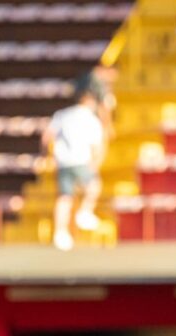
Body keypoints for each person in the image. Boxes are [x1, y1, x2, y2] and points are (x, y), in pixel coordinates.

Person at [42, 86, 104, 251]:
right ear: (89, 101)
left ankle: (60, 233)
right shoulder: (91, 118)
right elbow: (97, 145)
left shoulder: (62, 115)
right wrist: (95, 162)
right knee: (94, 185)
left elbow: (47, 136)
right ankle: (85, 212)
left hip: (63, 162)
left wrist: (47, 156)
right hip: (81, 160)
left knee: (64, 198)